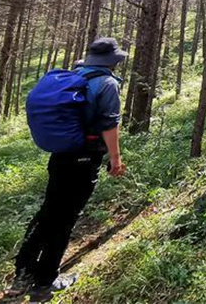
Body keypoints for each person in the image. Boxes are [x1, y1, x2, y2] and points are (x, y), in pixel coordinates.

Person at [9, 38, 127, 296]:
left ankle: (23, 270)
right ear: (112, 61)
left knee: (49, 211)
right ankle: (46, 280)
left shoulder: (76, 74)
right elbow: (109, 124)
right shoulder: (107, 84)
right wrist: (115, 160)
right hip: (84, 158)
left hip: (60, 156)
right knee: (65, 218)